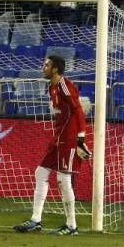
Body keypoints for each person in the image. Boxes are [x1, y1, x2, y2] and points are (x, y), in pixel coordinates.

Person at [14, 55, 91, 236]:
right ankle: (36, 220)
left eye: (47, 65)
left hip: (70, 138)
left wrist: (80, 138)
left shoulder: (65, 85)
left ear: (55, 69)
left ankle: (71, 226)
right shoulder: (52, 87)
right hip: (58, 138)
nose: (44, 67)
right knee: (41, 172)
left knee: (63, 180)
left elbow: (78, 110)